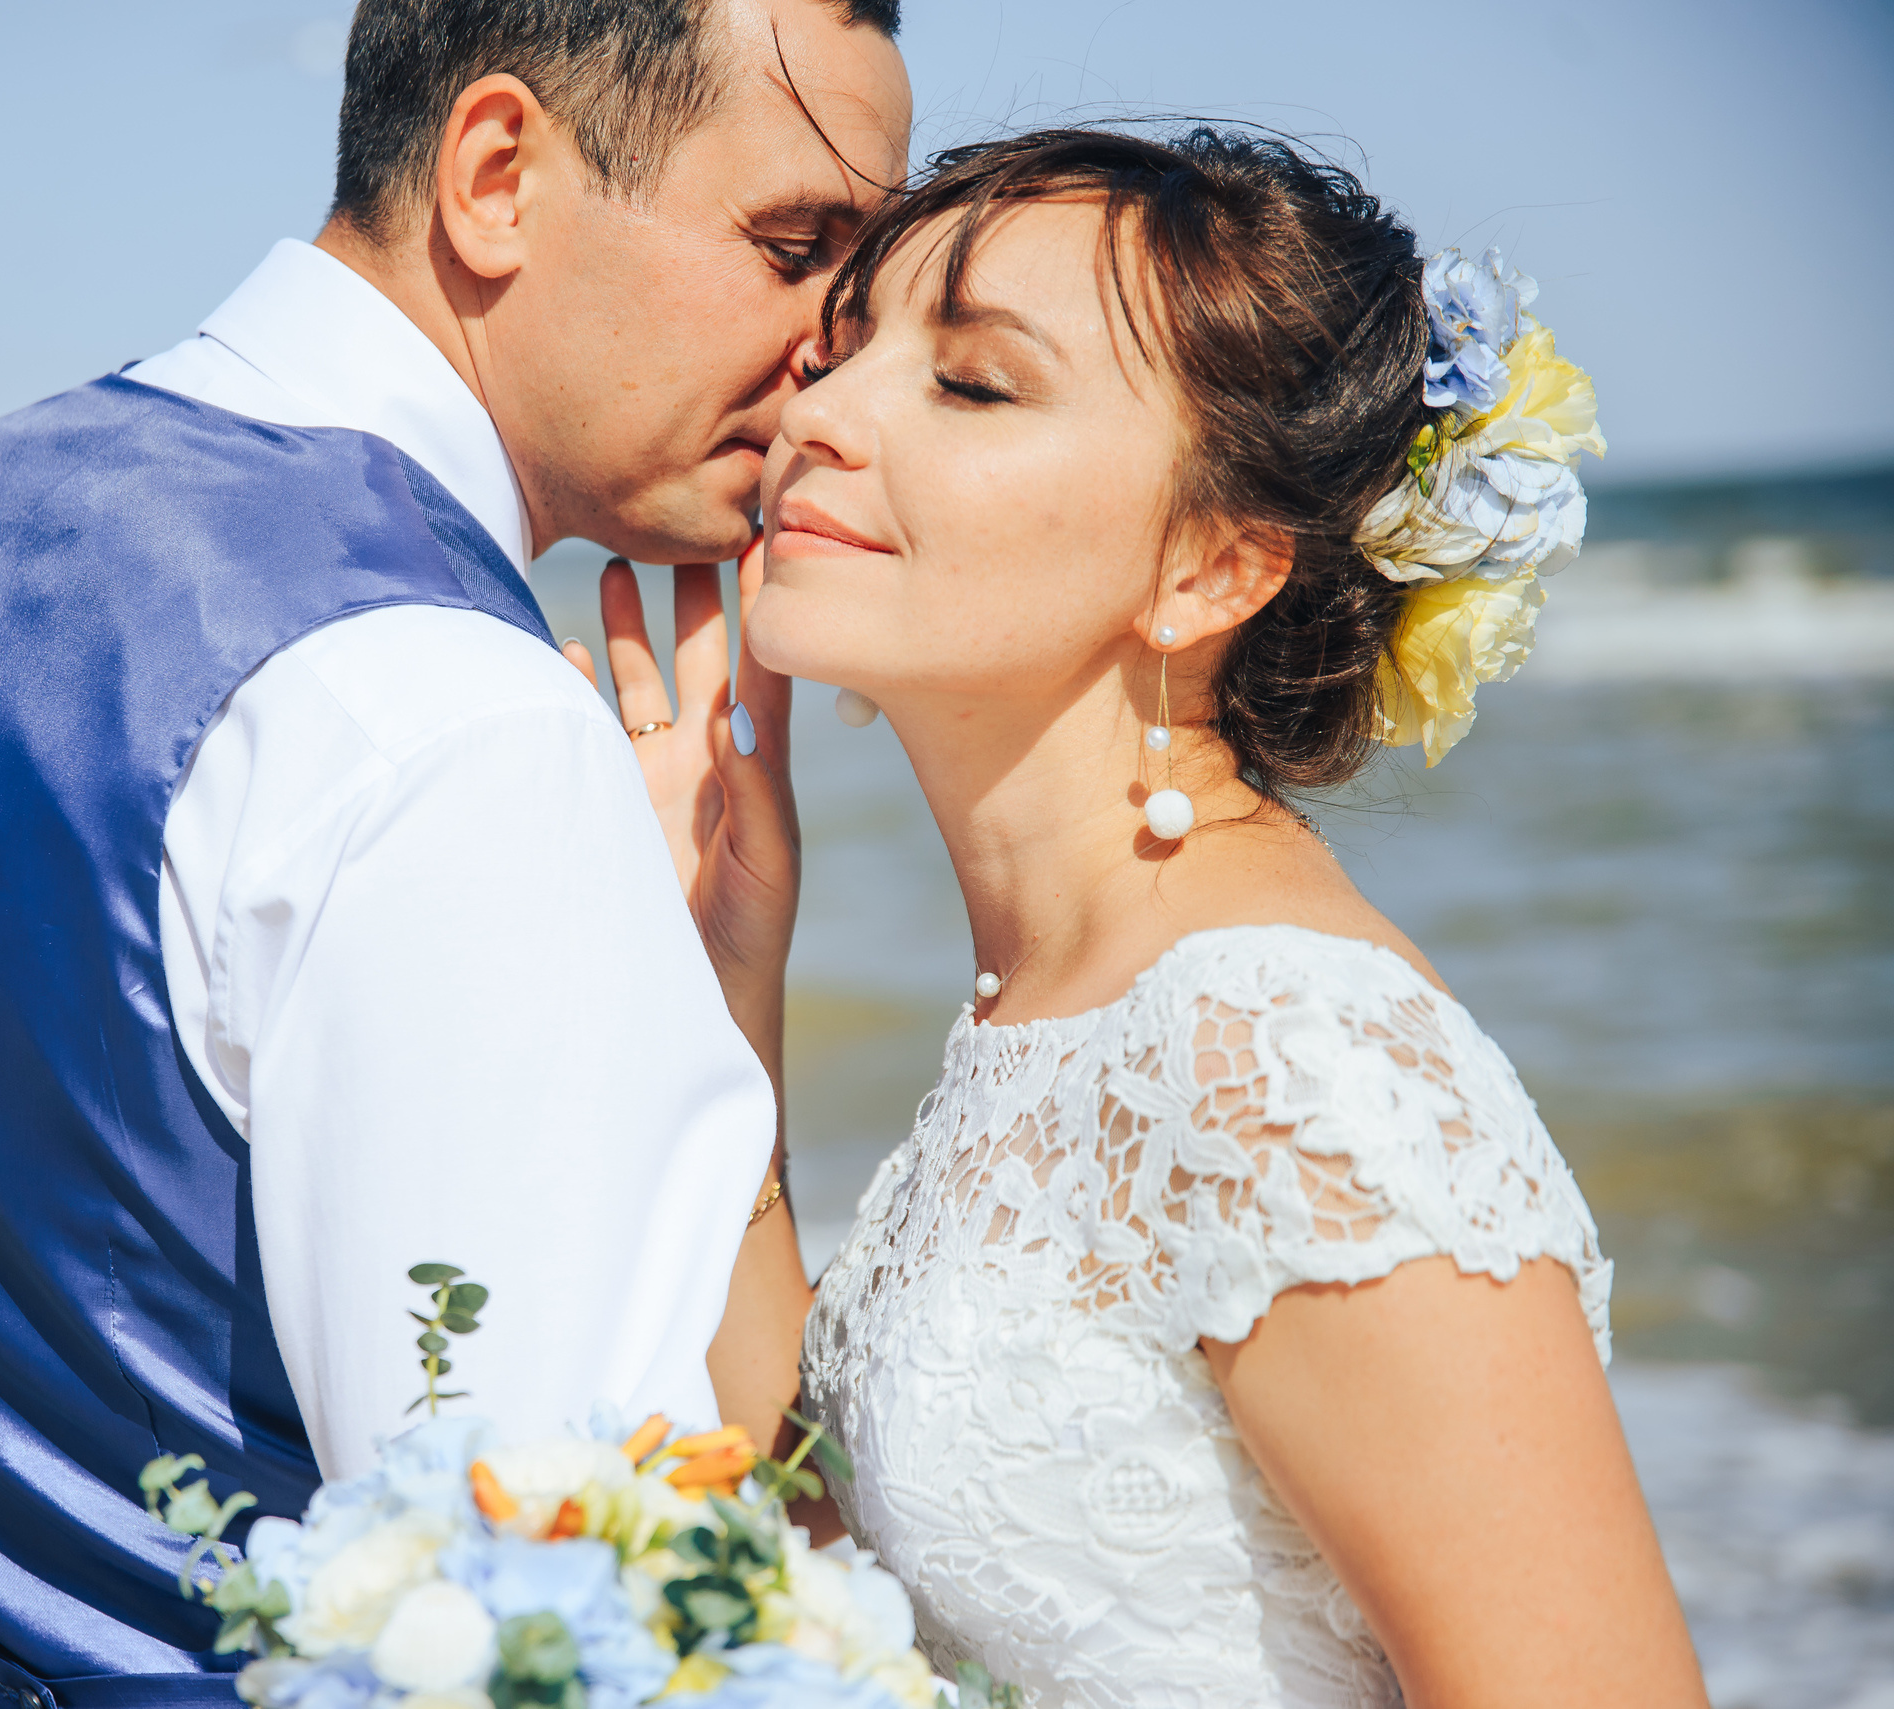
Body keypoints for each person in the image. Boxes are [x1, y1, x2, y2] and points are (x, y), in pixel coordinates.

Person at [0, 4, 909, 1705]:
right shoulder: (454, 719)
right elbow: (556, 1608)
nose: (835, 357)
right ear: (496, 175)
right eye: (797, 250)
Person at [682, 126, 1709, 1706]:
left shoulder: (1290, 1060)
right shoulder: (1056, 999)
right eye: (843, 346)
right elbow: (820, 1572)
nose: (814, 415)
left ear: (1207, 566)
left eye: (969, 383)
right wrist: (732, 978)